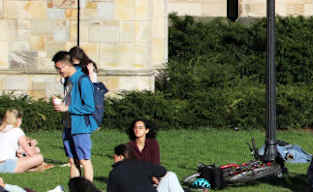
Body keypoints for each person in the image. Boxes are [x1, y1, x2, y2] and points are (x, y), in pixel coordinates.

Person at [53, 50, 98, 182]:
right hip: (67, 125)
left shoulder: (83, 80)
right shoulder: (68, 80)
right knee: (73, 161)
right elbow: (71, 101)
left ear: (67, 65)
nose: (59, 72)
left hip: (80, 127)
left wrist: (67, 107)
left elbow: (90, 107)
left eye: (59, 68)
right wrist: (61, 104)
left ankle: (88, 189)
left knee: (84, 161)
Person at [107, 143, 183, 192]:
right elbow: (163, 171)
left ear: (121, 157)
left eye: (115, 156)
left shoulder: (114, 173)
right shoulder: (140, 164)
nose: (114, 159)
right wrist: (153, 177)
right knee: (170, 175)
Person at [0, 109, 46, 173]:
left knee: (26, 156)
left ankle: (31, 168)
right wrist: (33, 147)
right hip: (8, 165)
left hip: (3, 163)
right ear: (18, 120)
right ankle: (33, 168)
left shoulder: (2, 130)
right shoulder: (17, 130)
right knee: (39, 157)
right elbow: (30, 153)